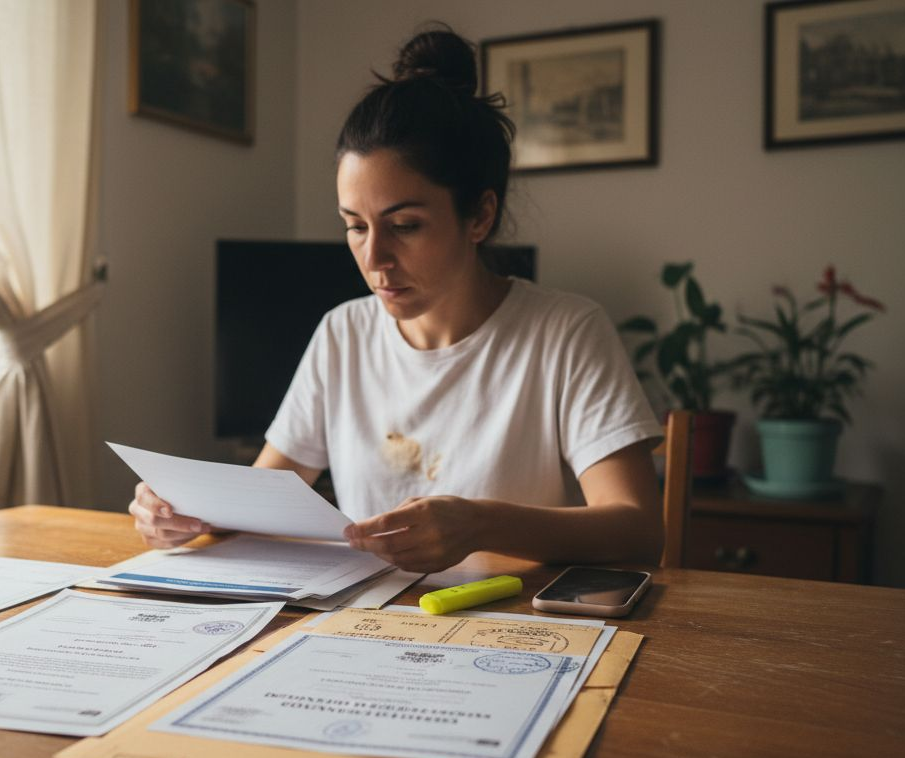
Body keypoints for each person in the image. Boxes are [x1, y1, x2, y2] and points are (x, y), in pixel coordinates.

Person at [131, 26, 664, 573]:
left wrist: (481, 524)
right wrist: (180, 511)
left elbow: (639, 531)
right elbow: (258, 498)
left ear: (480, 216)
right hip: (364, 613)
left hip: (508, 616)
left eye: (404, 225)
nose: (375, 258)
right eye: (355, 226)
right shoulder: (343, 333)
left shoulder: (565, 332)